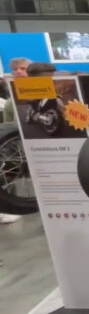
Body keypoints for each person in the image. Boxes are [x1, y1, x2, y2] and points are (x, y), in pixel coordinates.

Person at [0, 58, 32, 224]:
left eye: (23, 69)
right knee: (6, 173)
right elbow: (7, 128)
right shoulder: (11, 102)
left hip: (40, 143)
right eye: (16, 69)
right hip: (17, 148)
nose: (18, 72)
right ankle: (7, 208)